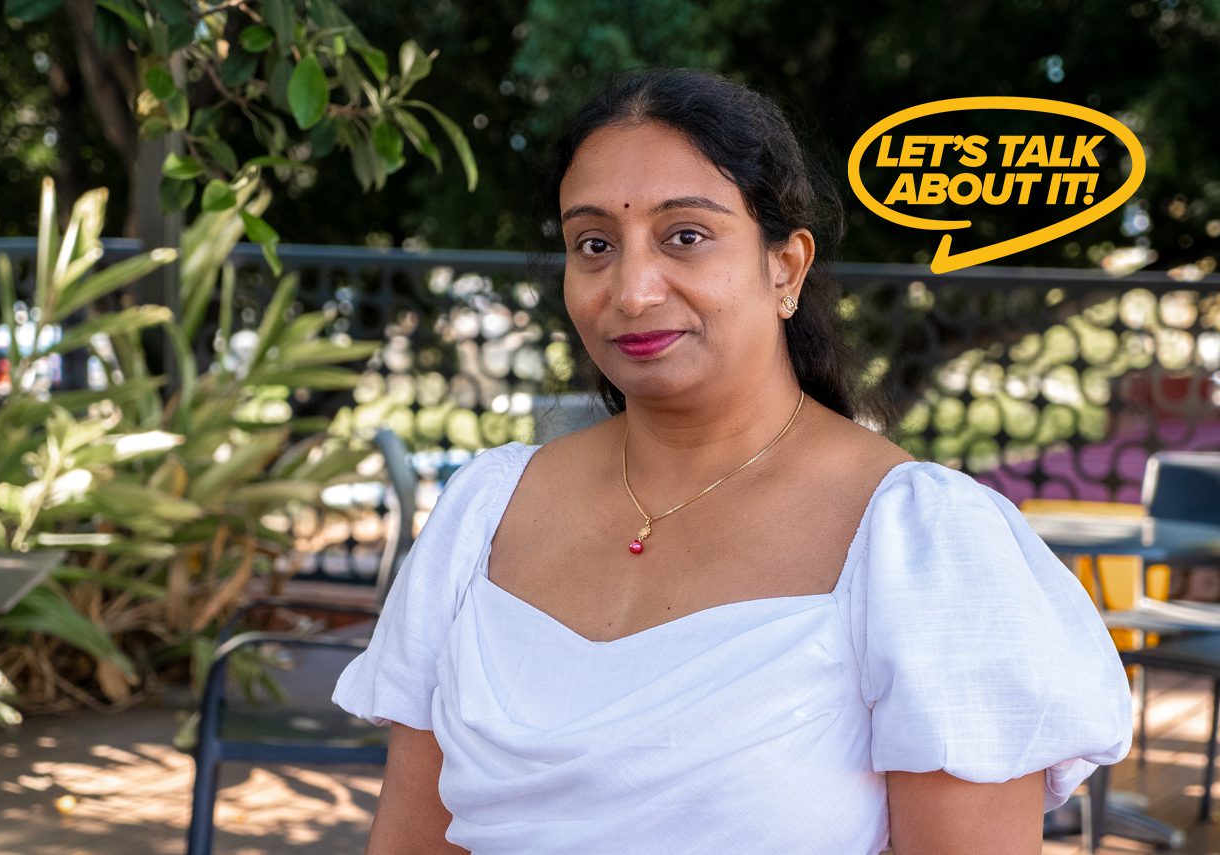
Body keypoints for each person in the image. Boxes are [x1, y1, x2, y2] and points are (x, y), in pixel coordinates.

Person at [333, 68, 1132, 854]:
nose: (633, 289)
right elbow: (410, 837)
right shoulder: (487, 510)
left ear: (785, 266)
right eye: (594, 244)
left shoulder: (924, 545)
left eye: (686, 235)